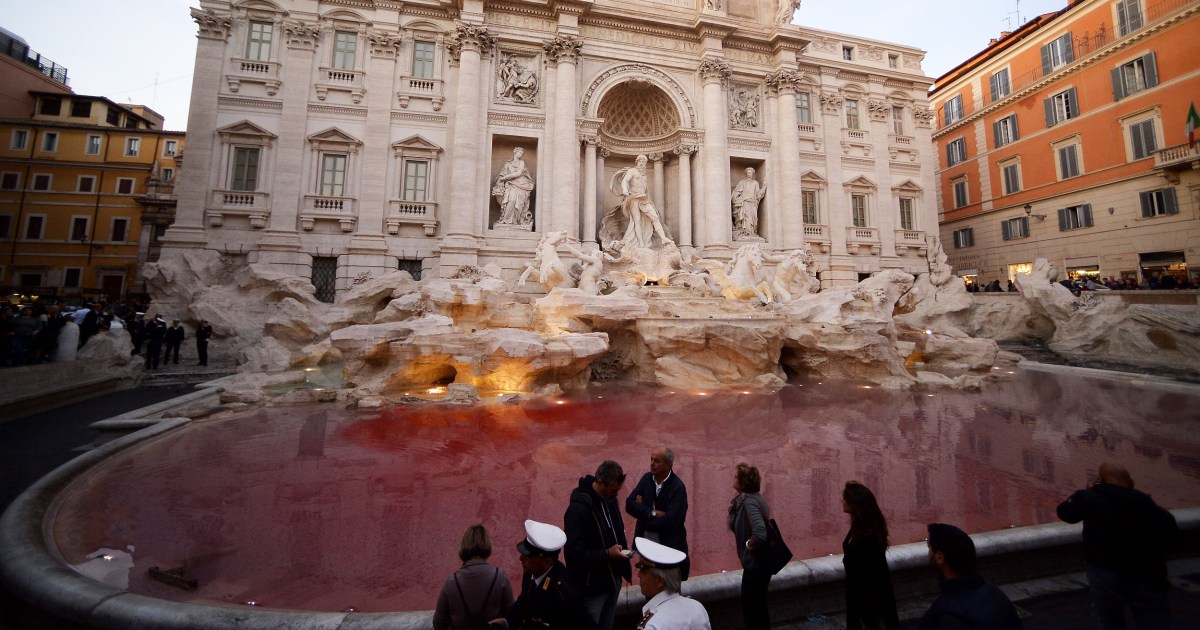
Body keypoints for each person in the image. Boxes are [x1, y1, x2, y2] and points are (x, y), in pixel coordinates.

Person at [1056, 462, 1182, 630]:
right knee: (1153, 619)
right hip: (1147, 572)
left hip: (1104, 571)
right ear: (1130, 483)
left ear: (1100, 480)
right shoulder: (1150, 507)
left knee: (1109, 619)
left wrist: (1089, 491)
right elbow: (1173, 541)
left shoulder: (1089, 498)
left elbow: (1065, 512)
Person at [564, 460, 631, 630]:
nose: (616, 495)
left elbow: (617, 531)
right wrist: (607, 554)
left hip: (613, 580)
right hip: (592, 587)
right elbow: (573, 555)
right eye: (613, 490)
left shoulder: (609, 500)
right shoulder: (578, 509)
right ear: (600, 482)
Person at [918, 523, 1022, 630]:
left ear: (940, 557)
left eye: (929, 547)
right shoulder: (995, 594)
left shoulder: (948, 617)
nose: (928, 553)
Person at [506, 519, 594, 630]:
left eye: (528, 556)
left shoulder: (564, 593)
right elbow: (523, 606)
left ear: (546, 562)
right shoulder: (531, 574)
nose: (521, 558)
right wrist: (505, 623)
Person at [625, 447, 690, 580]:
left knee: (669, 588)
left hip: (669, 550)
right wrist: (651, 513)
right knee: (648, 586)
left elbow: (669, 523)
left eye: (657, 461)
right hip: (646, 549)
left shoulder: (678, 488)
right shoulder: (646, 479)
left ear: (668, 465)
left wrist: (642, 514)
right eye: (651, 459)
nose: (652, 463)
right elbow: (629, 504)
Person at [841, 481, 899, 630]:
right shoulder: (860, 527)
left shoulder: (868, 536)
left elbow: (873, 579)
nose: (842, 501)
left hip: (866, 604)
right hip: (858, 598)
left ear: (855, 503)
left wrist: (869, 617)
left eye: (845, 498)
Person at [433, 524, 514, 630]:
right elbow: (512, 617)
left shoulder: (451, 582)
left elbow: (438, 623)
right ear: (487, 544)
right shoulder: (500, 577)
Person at [728, 462, 773, 630]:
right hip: (759, 564)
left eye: (735, 477)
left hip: (756, 565)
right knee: (758, 606)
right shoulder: (754, 499)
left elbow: (760, 533)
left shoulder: (749, 503)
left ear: (742, 483)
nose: (733, 479)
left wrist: (748, 545)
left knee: (752, 608)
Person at [632, 537, 711, 630]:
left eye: (643, 571)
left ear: (659, 581)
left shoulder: (653, 624)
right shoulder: (697, 608)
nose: (638, 575)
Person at [618, 155, 671, 249]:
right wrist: (625, 190)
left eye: (644, 161)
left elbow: (646, 190)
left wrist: (649, 201)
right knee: (637, 221)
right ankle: (641, 243)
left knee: (654, 217)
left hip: (643, 198)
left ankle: (663, 238)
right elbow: (625, 181)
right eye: (640, 161)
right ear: (637, 162)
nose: (642, 163)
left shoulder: (644, 175)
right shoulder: (632, 171)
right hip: (633, 197)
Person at [493, 147, 535, 227]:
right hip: (511, 184)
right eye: (519, 153)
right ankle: (505, 220)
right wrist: (501, 179)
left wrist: (505, 178)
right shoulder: (508, 164)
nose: (520, 155)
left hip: (521, 185)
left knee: (518, 203)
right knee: (512, 200)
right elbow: (502, 174)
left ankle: (516, 220)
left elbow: (518, 173)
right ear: (515, 152)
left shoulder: (521, 162)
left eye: (521, 154)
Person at [731, 168, 766, 240]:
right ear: (746, 173)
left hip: (753, 203)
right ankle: (746, 233)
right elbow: (736, 192)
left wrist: (764, 187)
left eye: (750, 173)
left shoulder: (755, 183)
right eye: (748, 173)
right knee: (747, 219)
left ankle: (752, 233)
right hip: (745, 203)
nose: (749, 174)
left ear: (752, 174)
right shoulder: (742, 182)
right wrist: (737, 199)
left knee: (754, 220)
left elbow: (758, 194)